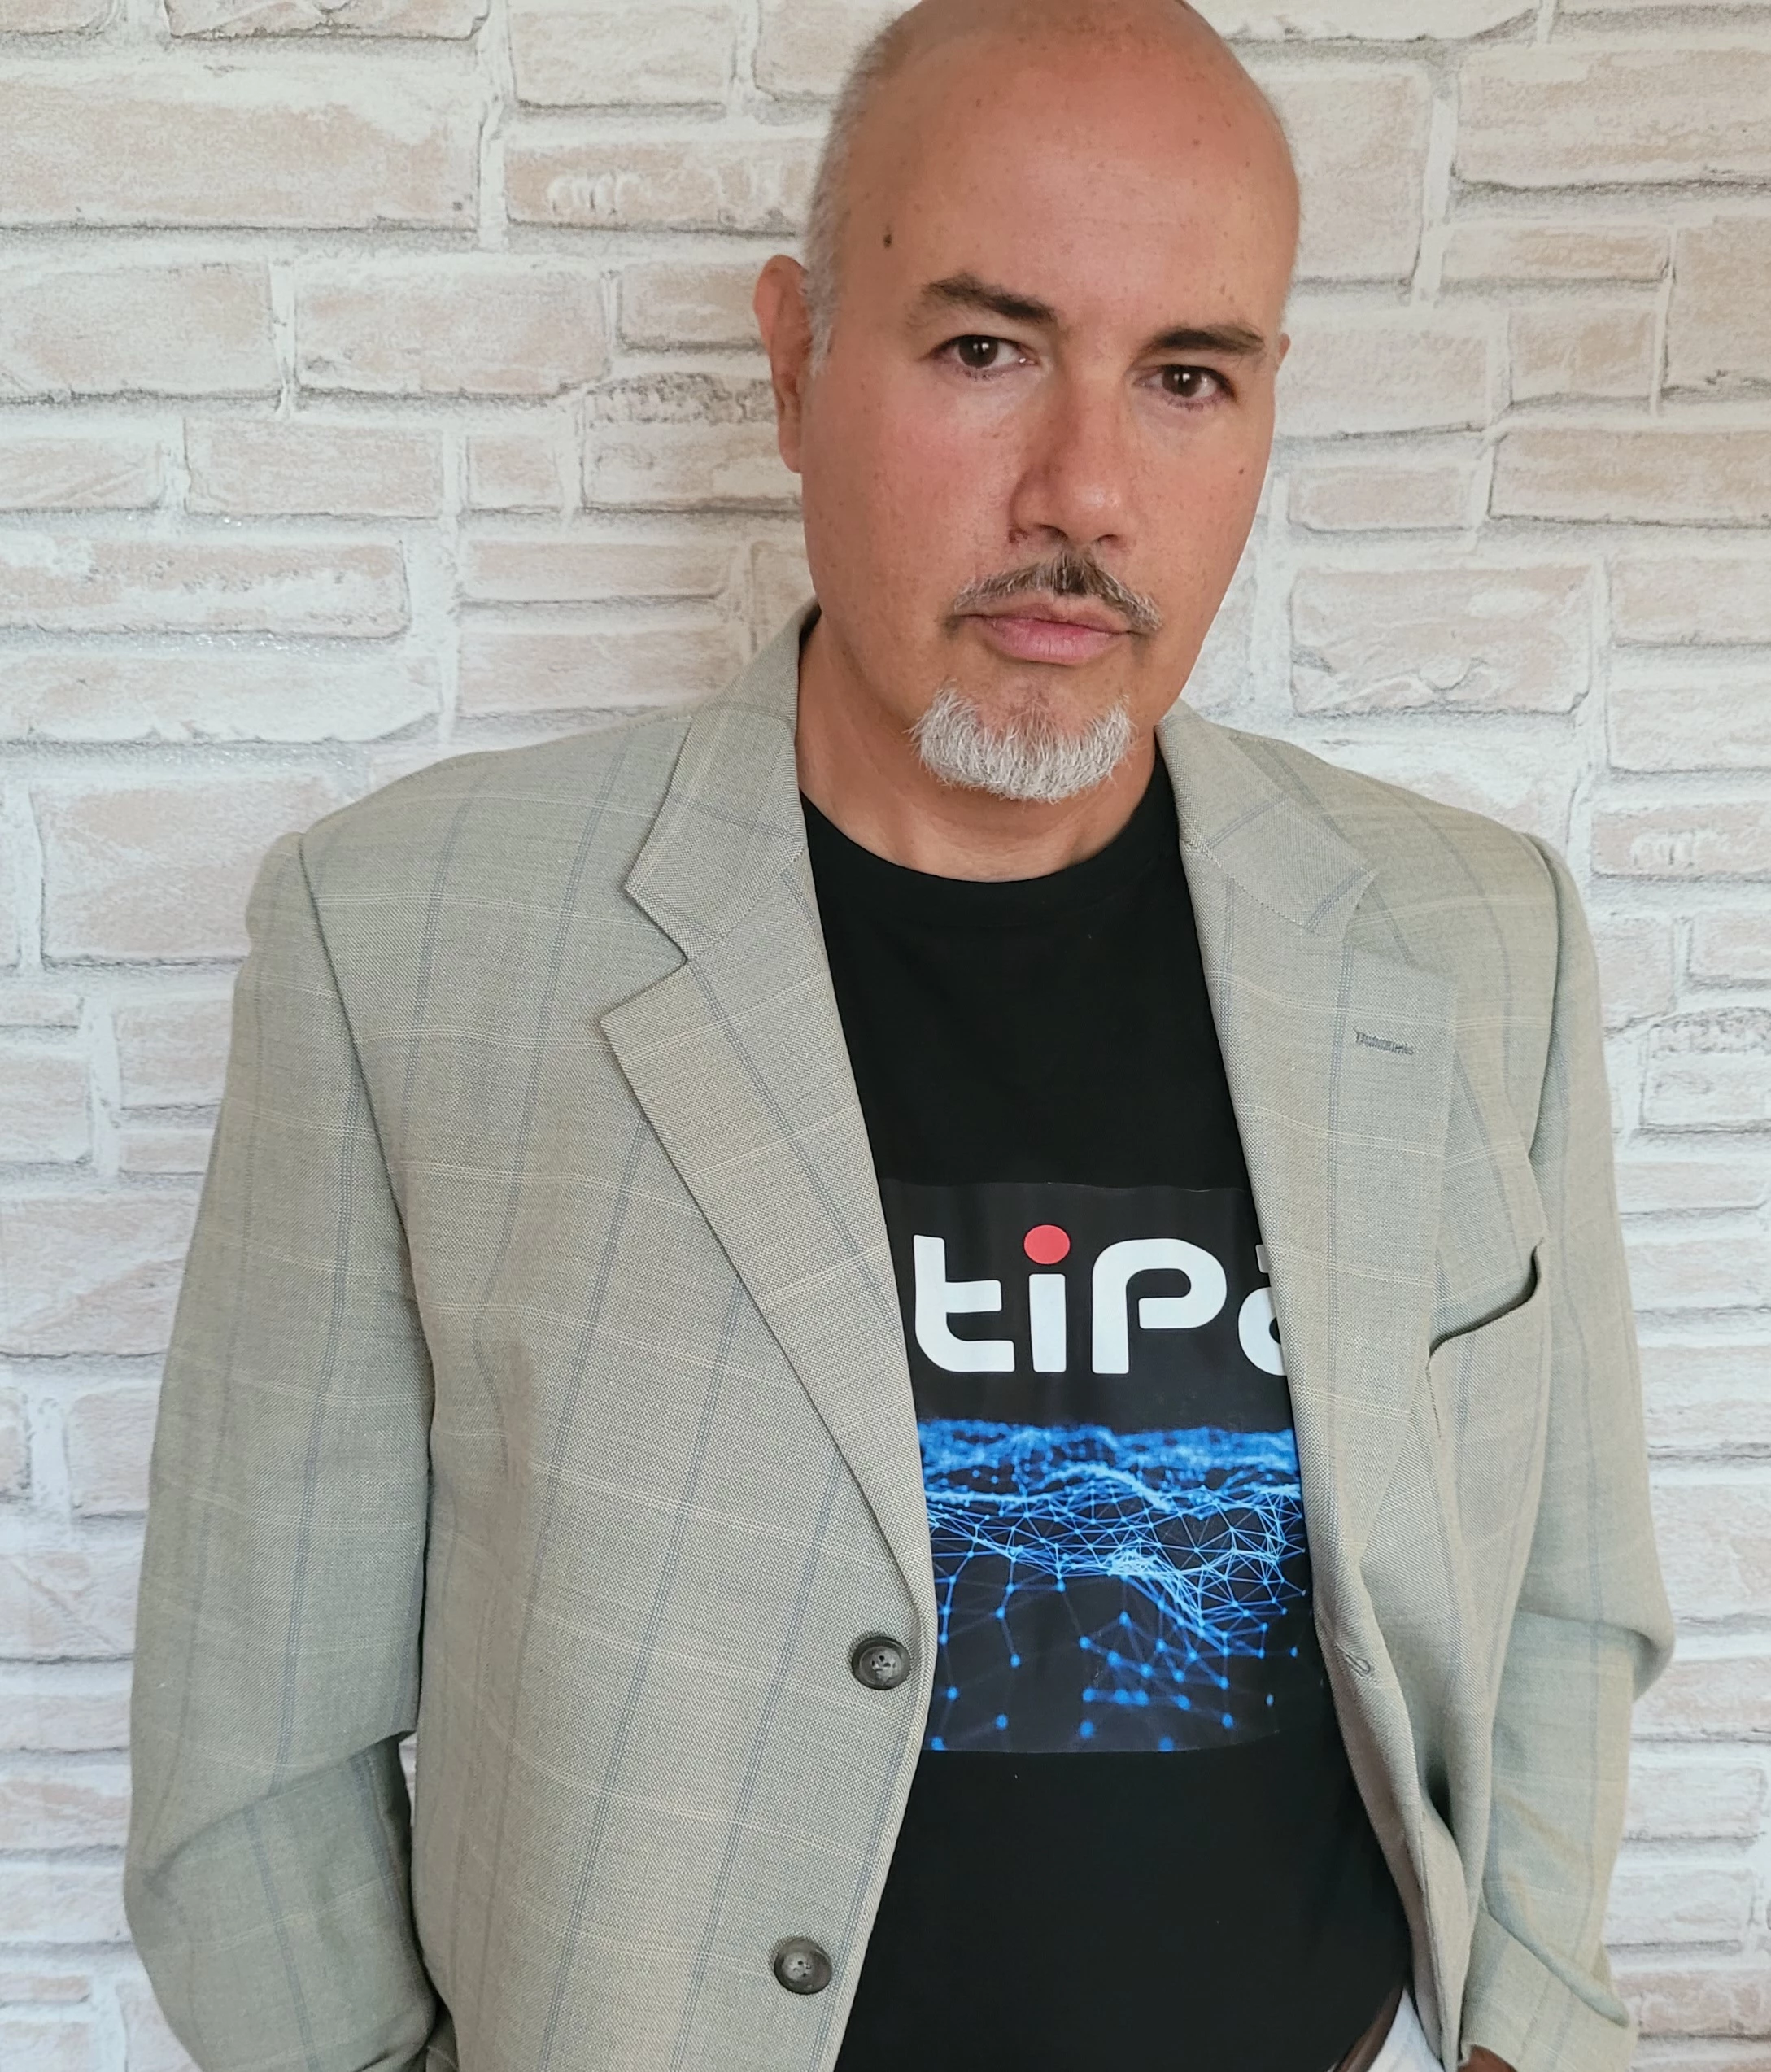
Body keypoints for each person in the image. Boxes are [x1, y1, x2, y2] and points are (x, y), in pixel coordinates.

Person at [122, 2, 1673, 2068]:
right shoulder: (405, 942)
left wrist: (1518, 2036)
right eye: (983, 349)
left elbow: (1557, 1595)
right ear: (792, 365)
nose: (1083, 489)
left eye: (1185, 376)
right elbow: (252, 1752)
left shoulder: (1476, 942)